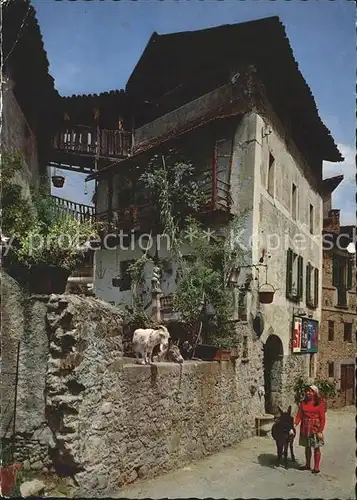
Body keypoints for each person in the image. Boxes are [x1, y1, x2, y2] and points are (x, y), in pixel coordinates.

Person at [294, 385, 326, 474]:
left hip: (315, 429)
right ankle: (307, 465)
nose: (308, 393)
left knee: (316, 447)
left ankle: (316, 467)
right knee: (307, 447)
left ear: (315, 393)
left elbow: (322, 419)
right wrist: (295, 424)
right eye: (307, 391)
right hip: (305, 427)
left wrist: (320, 431)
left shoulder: (319, 404)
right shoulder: (303, 403)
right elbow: (299, 415)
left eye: (311, 391)